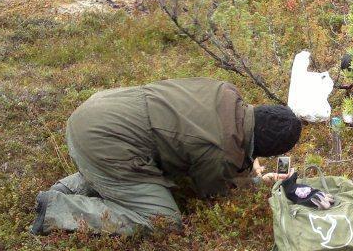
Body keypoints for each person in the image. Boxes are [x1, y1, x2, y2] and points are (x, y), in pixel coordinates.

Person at [29, 77, 302, 236]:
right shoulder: (220, 155)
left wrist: (243, 158)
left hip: (101, 109)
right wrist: (251, 180)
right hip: (102, 142)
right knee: (164, 220)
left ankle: (73, 184)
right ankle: (57, 209)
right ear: (267, 150)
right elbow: (212, 193)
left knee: (161, 154)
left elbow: (204, 136)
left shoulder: (225, 91)